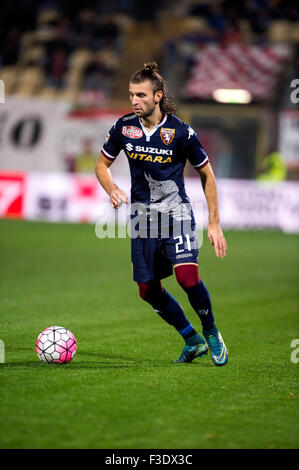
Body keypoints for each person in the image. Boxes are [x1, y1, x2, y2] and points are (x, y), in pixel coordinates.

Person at [95, 62, 228, 366]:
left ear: (157, 96)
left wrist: (214, 223)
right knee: (146, 290)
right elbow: (101, 165)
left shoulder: (181, 132)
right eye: (131, 94)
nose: (133, 100)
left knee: (186, 276)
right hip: (143, 219)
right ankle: (191, 339)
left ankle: (210, 332)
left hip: (176, 213)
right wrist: (112, 188)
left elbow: (208, 175)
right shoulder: (123, 127)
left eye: (140, 95)